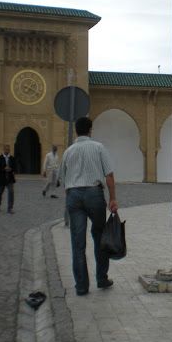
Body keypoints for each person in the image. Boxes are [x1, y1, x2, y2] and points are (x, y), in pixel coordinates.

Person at [59, 117, 118, 296]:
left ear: (76, 131)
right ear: (90, 130)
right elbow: (109, 175)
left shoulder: (68, 151)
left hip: (74, 195)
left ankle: (82, 286)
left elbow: (63, 177)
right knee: (100, 237)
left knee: (77, 243)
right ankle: (101, 278)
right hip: (94, 194)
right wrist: (113, 199)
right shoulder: (99, 147)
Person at [0, 144, 16, 214]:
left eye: (8, 150)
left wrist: (11, 169)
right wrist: (4, 169)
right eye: (6, 149)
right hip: (1, 178)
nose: (7, 151)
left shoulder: (12, 158)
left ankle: (10, 208)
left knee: (11, 192)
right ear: (3, 150)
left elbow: (15, 167)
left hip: (10, 178)